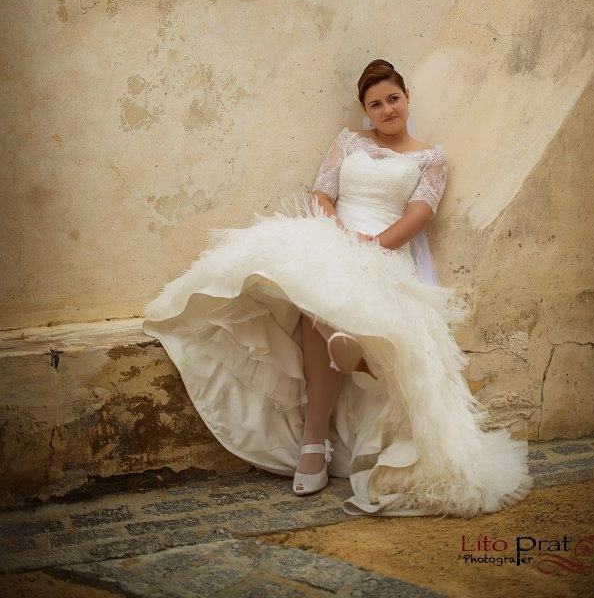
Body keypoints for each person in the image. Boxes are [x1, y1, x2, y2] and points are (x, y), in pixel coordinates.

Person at [142, 59, 533, 517]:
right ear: (365, 110)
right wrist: (337, 234)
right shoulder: (348, 142)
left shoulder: (430, 158)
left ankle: (315, 441)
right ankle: (340, 350)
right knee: (313, 286)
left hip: (384, 250)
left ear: (407, 98)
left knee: (320, 303)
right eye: (376, 103)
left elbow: (418, 215)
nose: (387, 109)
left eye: (393, 99)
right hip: (332, 237)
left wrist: (371, 245)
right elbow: (322, 194)